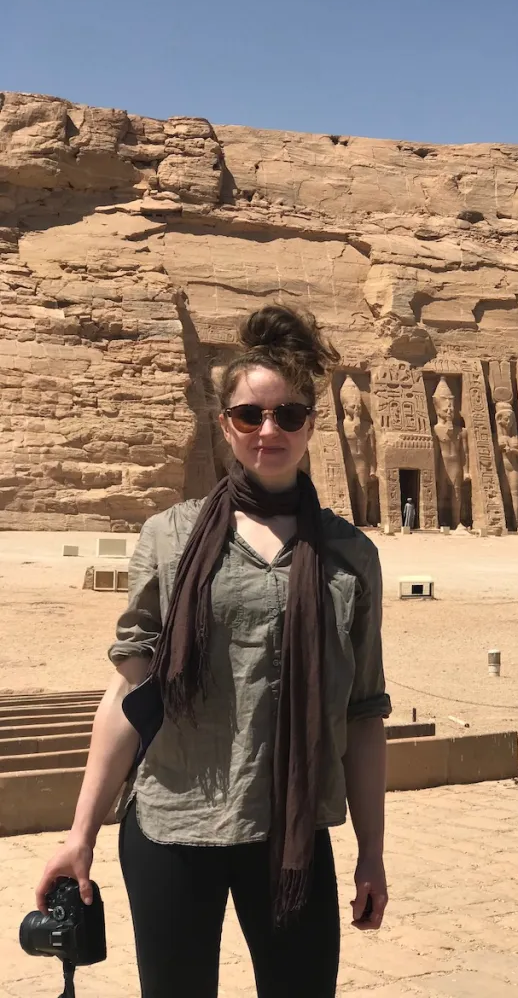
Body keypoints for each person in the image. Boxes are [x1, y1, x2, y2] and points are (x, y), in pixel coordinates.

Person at [35, 303, 392, 998]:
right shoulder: (171, 537)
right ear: (224, 422)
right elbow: (130, 696)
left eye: (289, 415)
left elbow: (363, 714)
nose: (270, 431)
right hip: (174, 824)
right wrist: (80, 834)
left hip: (288, 834)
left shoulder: (351, 556)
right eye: (250, 415)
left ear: (313, 423)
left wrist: (371, 853)